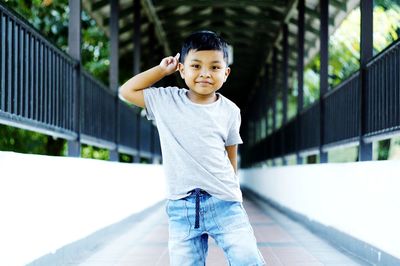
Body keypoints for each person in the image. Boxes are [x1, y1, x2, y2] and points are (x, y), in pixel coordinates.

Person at [119, 30, 265, 266]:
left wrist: (234, 192)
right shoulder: (166, 101)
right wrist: (161, 70)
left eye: (215, 67)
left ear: (226, 73)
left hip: (225, 203)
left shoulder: (230, 111)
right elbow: (127, 91)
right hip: (182, 207)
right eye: (196, 66)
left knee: (247, 259)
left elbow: (231, 155)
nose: (205, 74)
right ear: (182, 69)